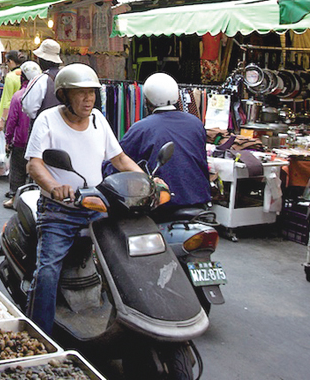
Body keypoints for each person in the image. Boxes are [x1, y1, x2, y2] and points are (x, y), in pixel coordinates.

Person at [24, 63, 143, 333]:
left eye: (91, 92)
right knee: (47, 271)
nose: (88, 99)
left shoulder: (98, 119)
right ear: (64, 95)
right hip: (59, 211)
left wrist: (145, 180)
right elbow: (34, 164)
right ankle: (38, 336)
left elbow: (119, 158)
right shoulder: (48, 119)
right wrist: (55, 186)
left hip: (96, 205)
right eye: (80, 93)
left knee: (124, 260)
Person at [105, 73, 211, 213]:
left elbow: (119, 161)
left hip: (164, 205)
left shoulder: (142, 128)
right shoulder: (195, 123)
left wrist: (104, 167)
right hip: (200, 201)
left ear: (147, 100)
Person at [3, 60, 42, 209]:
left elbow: (11, 121)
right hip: (38, 142)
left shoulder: (18, 96)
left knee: (17, 170)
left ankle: (14, 197)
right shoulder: (44, 96)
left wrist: (8, 139)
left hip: (20, 140)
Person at [22, 39, 63, 122]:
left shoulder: (40, 79)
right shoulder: (66, 76)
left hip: (45, 125)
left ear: (42, 60)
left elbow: (29, 108)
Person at [0, 50, 26, 128]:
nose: (7, 65)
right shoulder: (26, 75)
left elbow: (7, 100)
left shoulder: (10, 76)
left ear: (11, 61)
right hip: (23, 115)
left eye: (7, 62)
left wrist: (2, 119)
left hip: (10, 116)